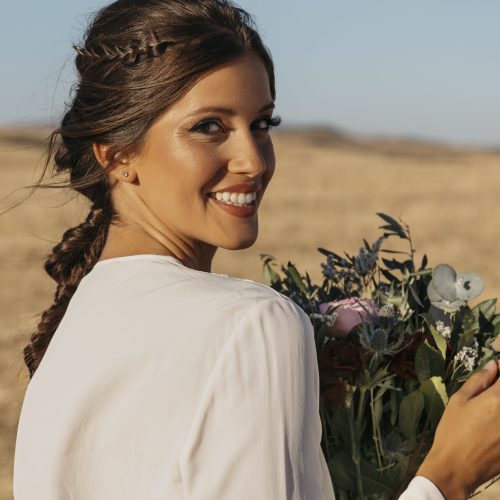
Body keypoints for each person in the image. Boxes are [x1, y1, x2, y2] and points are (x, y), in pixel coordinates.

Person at [11, 1, 500, 499]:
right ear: (118, 156)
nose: (253, 160)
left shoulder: (72, 329)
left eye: (263, 123)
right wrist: (449, 476)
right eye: (209, 126)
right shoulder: (250, 324)